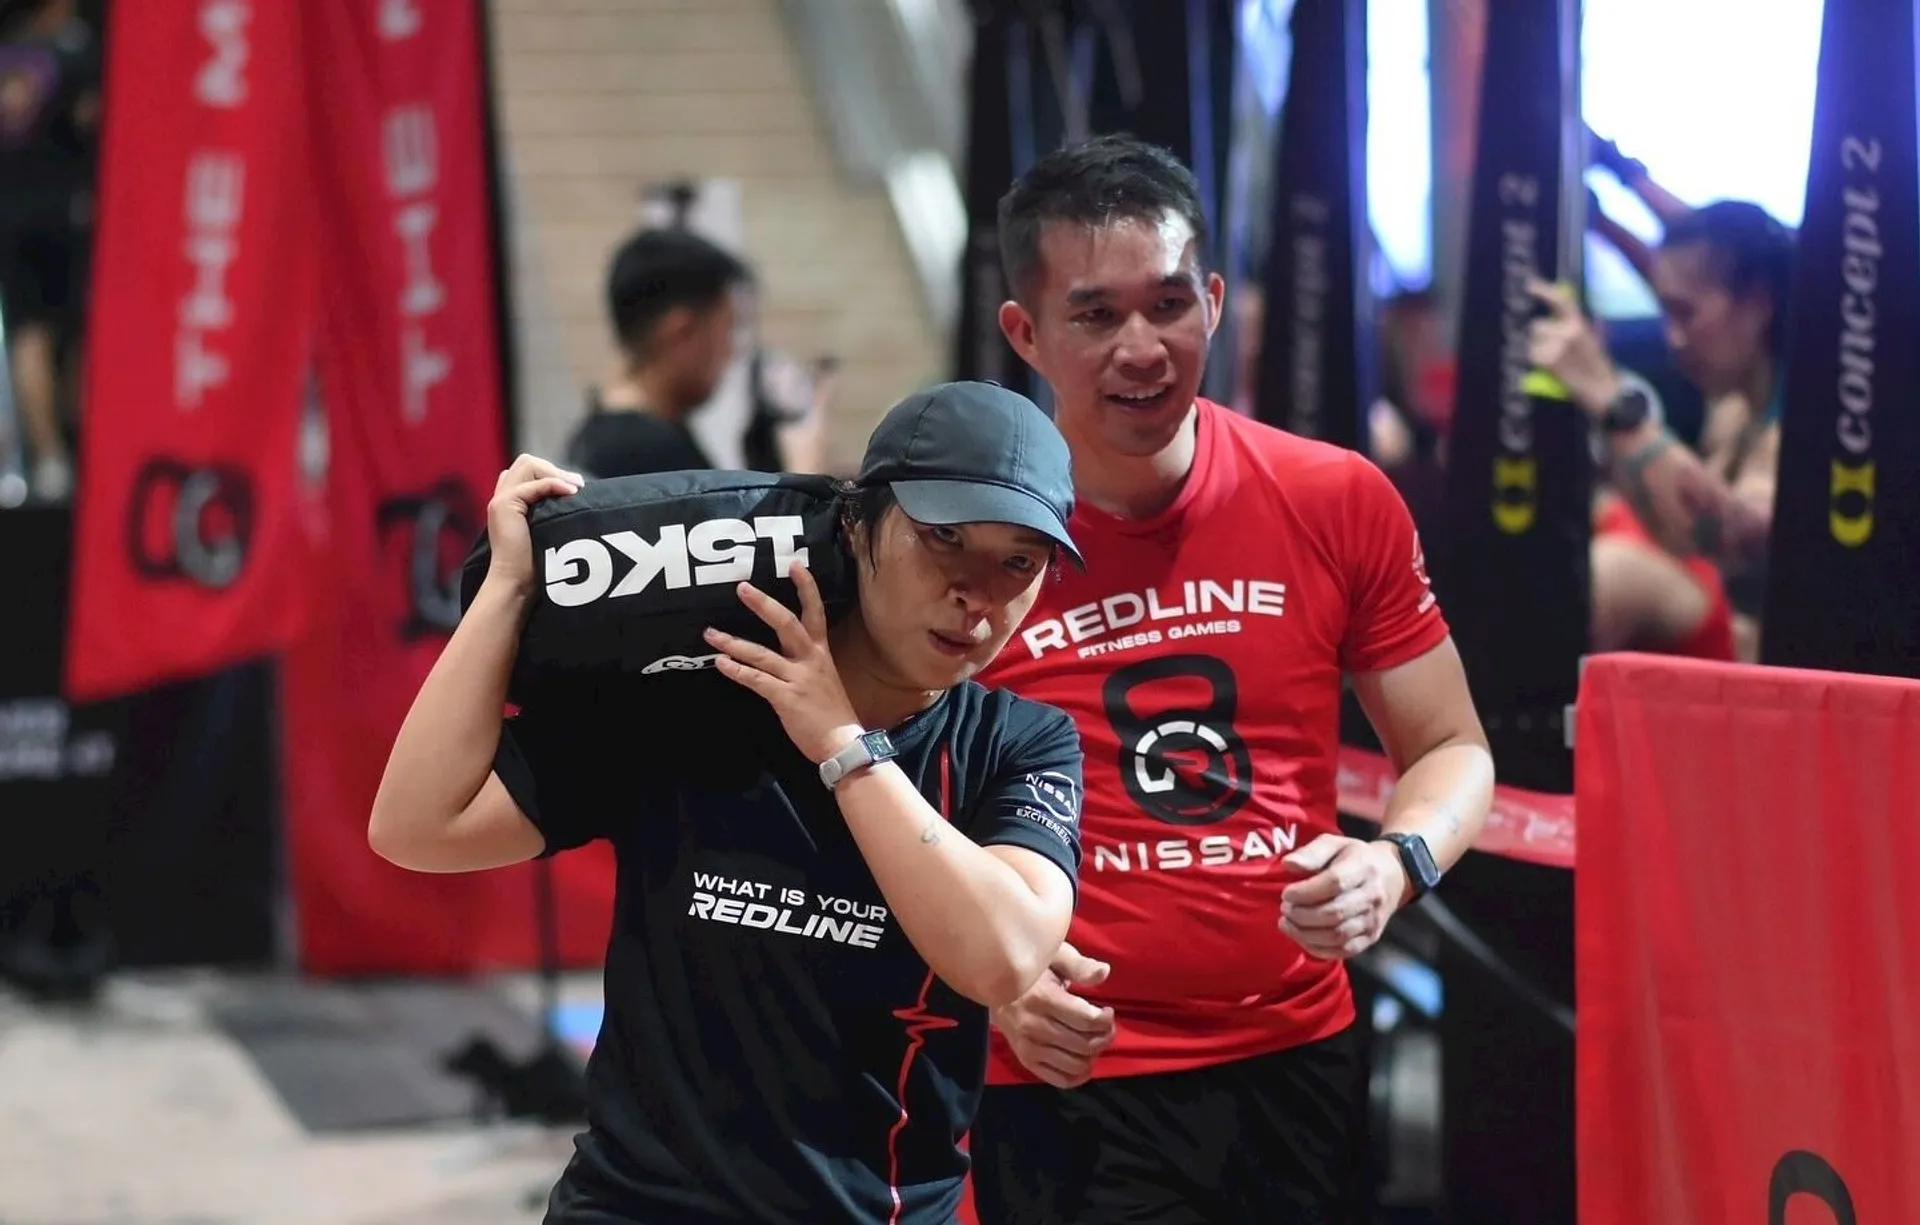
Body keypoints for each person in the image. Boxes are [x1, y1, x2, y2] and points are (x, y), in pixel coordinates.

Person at [370, 380, 1089, 1225]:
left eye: (1018, 562)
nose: (976, 592)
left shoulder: (1019, 742)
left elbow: (1002, 956)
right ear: (856, 525)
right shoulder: (699, 692)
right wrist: (506, 590)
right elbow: (418, 825)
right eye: (944, 537)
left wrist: (843, 745)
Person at [964, 134, 1495, 1225]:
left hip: (1299, 1060)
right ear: (1025, 333)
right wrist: (990, 976)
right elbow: (877, 807)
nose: (1142, 348)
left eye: (1168, 305)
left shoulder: (1334, 497)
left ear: (1213, 302)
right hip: (1070, 1074)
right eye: (1095, 315)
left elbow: (1453, 749)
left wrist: (1393, 862)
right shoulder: (964, 542)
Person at [1529, 199, 1793, 662]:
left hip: (1763, 666)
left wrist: (1611, 399)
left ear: (1757, 305)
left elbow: (1736, 538)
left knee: (1616, 573)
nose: (1672, 338)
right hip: (1718, 637)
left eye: (1685, 314)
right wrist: (1606, 213)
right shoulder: (1731, 405)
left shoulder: (1798, 428)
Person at [564, 226, 751, 480]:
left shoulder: (592, 438)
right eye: (728, 330)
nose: (731, 352)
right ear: (681, 331)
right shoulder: (655, 460)